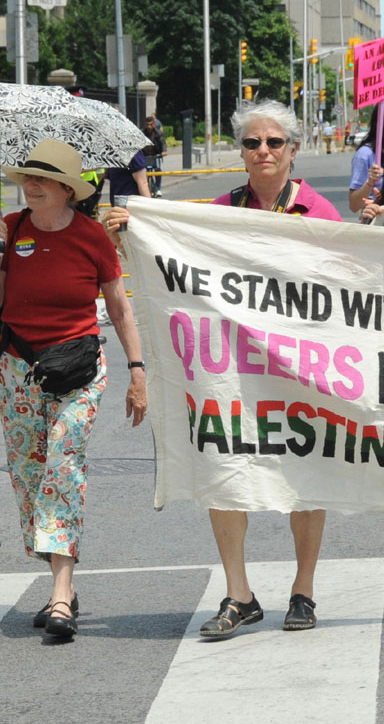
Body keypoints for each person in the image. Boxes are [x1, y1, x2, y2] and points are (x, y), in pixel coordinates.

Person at [107, 99, 341, 637]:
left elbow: (349, 284)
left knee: (305, 478)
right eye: (252, 142)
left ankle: (302, 590)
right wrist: (133, 230)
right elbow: (172, 258)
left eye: (274, 142)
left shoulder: (318, 214)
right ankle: (239, 594)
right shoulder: (218, 210)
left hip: (300, 368)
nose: (262, 151)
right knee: (223, 471)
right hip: (232, 370)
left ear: (293, 150)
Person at [0, 139, 147, 640]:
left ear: (67, 189)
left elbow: (119, 309)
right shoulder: (10, 229)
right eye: (27, 178)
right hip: (18, 370)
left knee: (62, 464)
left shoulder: (93, 236)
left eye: (42, 179)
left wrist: (137, 372)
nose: (30, 186)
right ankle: (62, 586)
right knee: (29, 474)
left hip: (79, 369)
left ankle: (59, 594)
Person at [142, 116, 167, 198]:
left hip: (155, 154)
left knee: (157, 170)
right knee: (144, 171)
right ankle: (147, 188)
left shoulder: (158, 133)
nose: (149, 127)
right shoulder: (142, 133)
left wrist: (163, 151)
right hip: (145, 154)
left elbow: (162, 142)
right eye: (147, 125)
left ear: (154, 124)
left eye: (151, 125)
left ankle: (158, 188)